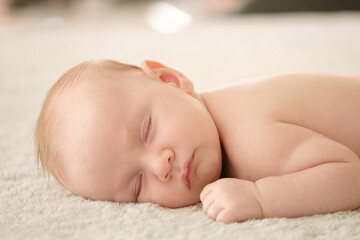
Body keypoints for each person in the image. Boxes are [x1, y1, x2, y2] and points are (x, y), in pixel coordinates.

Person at [35, 59, 360, 223]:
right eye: (137, 186)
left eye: (147, 130)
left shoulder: (252, 138)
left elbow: (350, 176)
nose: (159, 166)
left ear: (171, 80)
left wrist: (261, 198)